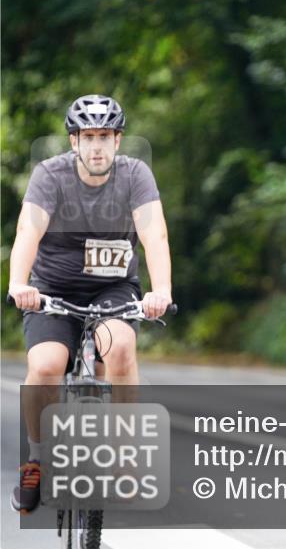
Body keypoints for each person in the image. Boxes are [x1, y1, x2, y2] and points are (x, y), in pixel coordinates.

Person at [8, 95, 172, 514]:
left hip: (112, 290)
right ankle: (37, 460)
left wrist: (161, 291)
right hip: (53, 289)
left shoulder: (136, 176)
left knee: (118, 348)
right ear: (74, 141)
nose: (96, 146)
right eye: (88, 137)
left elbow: (154, 235)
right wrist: (18, 282)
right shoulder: (50, 175)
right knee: (45, 365)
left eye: (104, 136)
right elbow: (29, 229)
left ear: (118, 141)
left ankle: (123, 456)